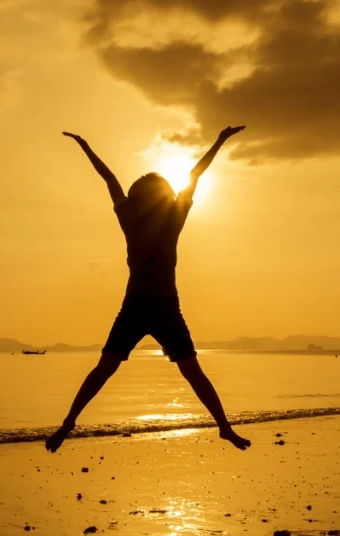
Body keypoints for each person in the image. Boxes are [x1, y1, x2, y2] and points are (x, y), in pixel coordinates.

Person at [46, 126, 250, 452]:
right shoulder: (150, 217)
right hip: (140, 307)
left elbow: (190, 174)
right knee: (107, 369)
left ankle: (224, 427)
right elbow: (111, 178)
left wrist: (220, 141)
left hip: (162, 307)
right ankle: (68, 423)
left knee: (191, 372)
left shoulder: (164, 217)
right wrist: (85, 146)